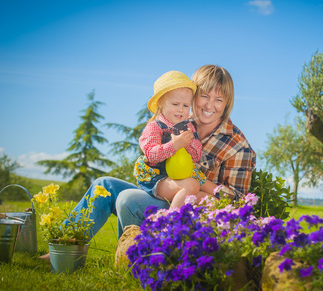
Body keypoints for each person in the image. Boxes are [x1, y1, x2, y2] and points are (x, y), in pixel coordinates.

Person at [48, 65, 256, 246]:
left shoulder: (237, 146)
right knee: (105, 185)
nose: (210, 105)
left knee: (128, 198)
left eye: (218, 99)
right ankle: (64, 246)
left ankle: (137, 259)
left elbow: (239, 203)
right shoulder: (178, 120)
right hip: (161, 189)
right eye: (204, 96)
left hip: (188, 209)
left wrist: (197, 188)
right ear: (193, 96)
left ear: (227, 103)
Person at [134, 70, 208, 209]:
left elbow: (196, 156)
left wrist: (188, 141)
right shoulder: (155, 127)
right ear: (161, 103)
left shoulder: (188, 127)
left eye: (186, 106)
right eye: (175, 104)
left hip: (180, 175)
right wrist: (174, 145)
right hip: (158, 179)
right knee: (192, 185)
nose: (181, 110)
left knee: (207, 196)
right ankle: (170, 222)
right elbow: (151, 154)